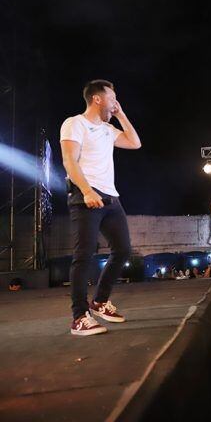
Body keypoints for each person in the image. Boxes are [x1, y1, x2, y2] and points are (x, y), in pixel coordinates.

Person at [60, 79, 141, 336]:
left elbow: (135, 142)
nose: (115, 101)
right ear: (97, 98)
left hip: (111, 198)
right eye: (112, 97)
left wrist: (121, 114)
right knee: (84, 256)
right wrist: (86, 190)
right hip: (86, 197)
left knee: (123, 250)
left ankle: (100, 302)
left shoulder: (107, 129)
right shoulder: (75, 123)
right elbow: (69, 161)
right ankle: (79, 317)